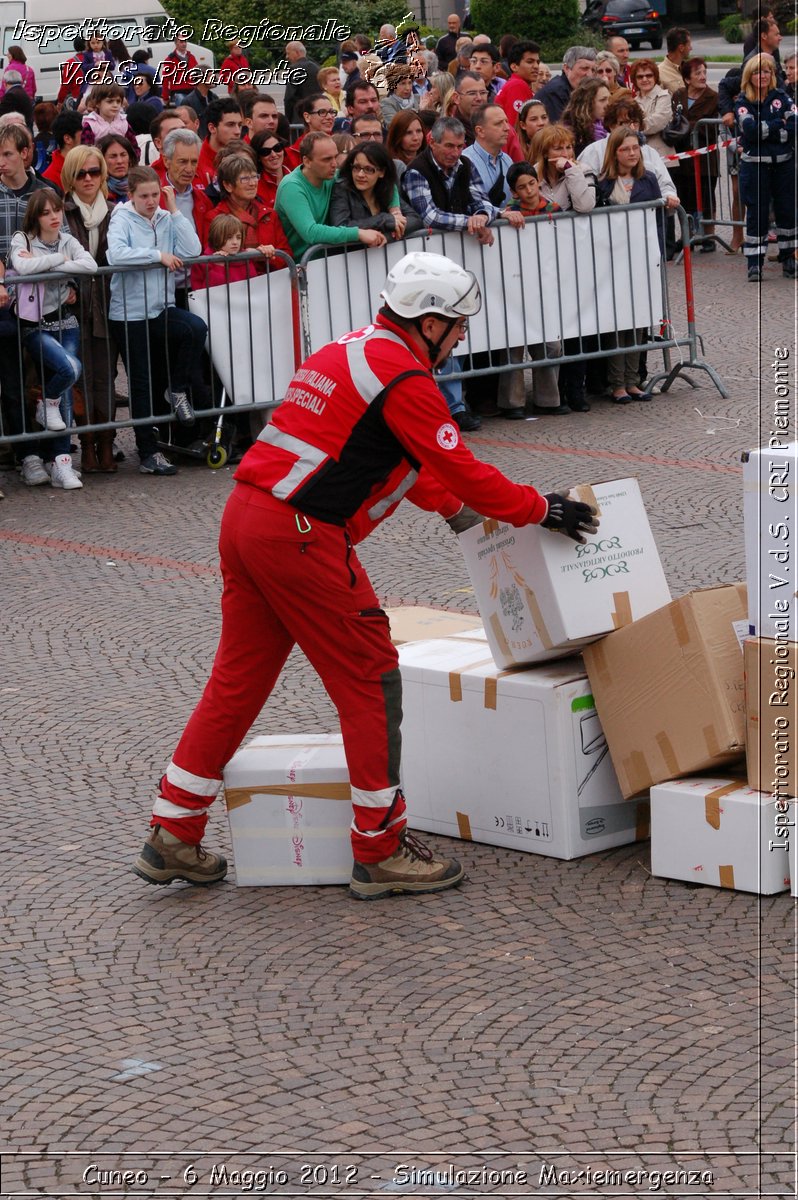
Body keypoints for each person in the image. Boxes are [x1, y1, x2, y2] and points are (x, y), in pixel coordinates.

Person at [130, 249, 600, 894]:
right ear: (428, 321)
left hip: (248, 519)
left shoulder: (352, 350)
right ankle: (379, 847)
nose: (463, 334)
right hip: (300, 536)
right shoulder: (406, 379)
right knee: (372, 678)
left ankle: (174, 829)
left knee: (237, 681)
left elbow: (392, 459)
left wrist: (458, 514)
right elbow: (457, 465)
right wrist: (537, 508)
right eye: (458, 323)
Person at [106, 164, 206, 474]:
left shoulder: (165, 216)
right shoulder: (121, 217)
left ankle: (177, 391)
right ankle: (148, 452)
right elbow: (116, 254)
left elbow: (193, 249)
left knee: (195, 328)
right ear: (131, 195)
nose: (151, 201)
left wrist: (174, 211)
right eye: (145, 196)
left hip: (161, 307)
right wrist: (156, 256)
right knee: (141, 381)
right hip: (129, 313)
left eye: (155, 195)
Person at [9, 188, 97, 488]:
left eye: (57, 210)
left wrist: (52, 262)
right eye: (46, 212)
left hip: (66, 320)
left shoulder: (67, 240)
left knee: (64, 394)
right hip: (35, 324)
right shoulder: (22, 239)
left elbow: (90, 265)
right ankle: (44, 404)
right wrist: (60, 261)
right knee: (70, 369)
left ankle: (61, 464)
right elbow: (22, 266)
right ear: (36, 216)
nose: (54, 217)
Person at [0, 123, 57, 487]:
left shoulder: (44, 191)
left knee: (53, 375)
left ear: (24, 153)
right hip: (6, 303)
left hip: (45, 300)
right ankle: (28, 454)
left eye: (6, 154)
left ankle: (56, 452)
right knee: (13, 379)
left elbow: (62, 240)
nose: (1, 162)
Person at [531, 123, 596, 414]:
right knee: (549, 330)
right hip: (541, 260)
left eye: (568, 146)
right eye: (558, 148)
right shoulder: (531, 175)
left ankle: (577, 388)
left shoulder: (582, 170)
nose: (565, 152)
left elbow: (584, 204)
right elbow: (543, 208)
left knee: (577, 327)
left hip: (573, 258)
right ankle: (550, 393)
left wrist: (571, 169)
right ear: (544, 152)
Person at [595, 126, 662, 403]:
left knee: (638, 323)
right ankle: (617, 382)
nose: (632, 153)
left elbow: (658, 220)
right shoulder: (605, 184)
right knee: (618, 323)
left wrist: (660, 251)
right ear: (615, 152)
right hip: (614, 260)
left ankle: (634, 379)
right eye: (626, 149)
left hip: (643, 258)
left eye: (635, 148)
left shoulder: (648, 179)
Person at [61, 144, 116, 473]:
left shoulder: (115, 211)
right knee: (81, 378)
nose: (88, 179)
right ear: (70, 176)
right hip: (74, 305)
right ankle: (87, 446)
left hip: (107, 304)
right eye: (81, 173)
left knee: (106, 378)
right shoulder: (62, 211)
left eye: (94, 171)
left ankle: (107, 445)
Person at [734, 53, 797, 282]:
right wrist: (776, 127)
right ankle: (754, 264)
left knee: (786, 213)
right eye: (758, 71)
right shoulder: (743, 102)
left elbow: (793, 125)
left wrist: (768, 131)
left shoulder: (782, 98)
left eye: (767, 71)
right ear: (749, 76)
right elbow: (749, 130)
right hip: (755, 167)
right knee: (757, 215)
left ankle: (789, 259)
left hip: (783, 165)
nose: (762, 75)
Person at [275, 132, 387, 259]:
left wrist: (395, 210)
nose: (334, 163)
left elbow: (381, 177)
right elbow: (311, 232)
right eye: (327, 159)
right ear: (307, 161)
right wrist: (358, 233)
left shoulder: (332, 175)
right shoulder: (292, 186)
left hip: (325, 262)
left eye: (335, 156)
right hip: (294, 268)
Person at [672, 57, 719, 252]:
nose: (702, 76)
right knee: (685, 195)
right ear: (687, 79)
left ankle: (708, 236)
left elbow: (708, 126)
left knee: (707, 196)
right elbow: (673, 119)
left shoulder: (712, 97)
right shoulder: (678, 95)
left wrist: (686, 126)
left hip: (705, 156)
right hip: (682, 154)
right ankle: (687, 236)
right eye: (697, 73)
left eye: (704, 72)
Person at [211, 152, 291, 267]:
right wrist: (248, 254)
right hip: (234, 282)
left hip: (270, 282)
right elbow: (210, 261)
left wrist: (270, 255)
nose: (253, 183)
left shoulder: (269, 214)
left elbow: (286, 256)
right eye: (245, 179)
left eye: (255, 177)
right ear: (228, 185)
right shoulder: (214, 217)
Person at [330, 141, 421, 238]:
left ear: (382, 172)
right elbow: (340, 226)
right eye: (356, 167)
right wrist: (384, 220)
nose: (360, 174)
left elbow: (415, 220)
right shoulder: (341, 189)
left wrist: (390, 233)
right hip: (352, 252)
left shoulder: (387, 189)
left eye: (368, 169)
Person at [191, 212, 258, 290]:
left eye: (238, 237)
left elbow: (254, 290)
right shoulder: (202, 263)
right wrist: (218, 266)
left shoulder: (245, 258)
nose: (235, 242)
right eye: (229, 237)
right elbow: (206, 295)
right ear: (217, 237)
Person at [535, 47, 597, 123]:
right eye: (584, 68)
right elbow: (560, 130)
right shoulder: (555, 93)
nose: (590, 75)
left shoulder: (581, 92)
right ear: (567, 68)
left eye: (593, 70)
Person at [196, 97, 243, 188]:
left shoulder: (245, 155)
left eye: (240, 125)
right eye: (230, 125)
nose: (238, 131)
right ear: (212, 128)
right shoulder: (195, 160)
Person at [284, 93, 336, 169]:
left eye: (331, 112)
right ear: (307, 117)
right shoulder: (292, 154)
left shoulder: (341, 144)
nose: (329, 117)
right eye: (322, 112)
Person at [630, 60, 671, 157]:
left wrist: (633, 128)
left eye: (649, 75)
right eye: (640, 77)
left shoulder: (664, 96)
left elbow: (658, 121)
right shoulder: (633, 101)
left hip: (661, 154)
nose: (644, 79)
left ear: (655, 77)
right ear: (634, 80)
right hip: (639, 154)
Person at [562, 78, 611, 157]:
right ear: (587, 103)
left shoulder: (607, 126)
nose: (608, 104)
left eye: (609, 99)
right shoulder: (571, 134)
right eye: (602, 100)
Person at [80, 84, 137, 150]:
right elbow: (86, 150)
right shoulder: (91, 124)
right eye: (110, 101)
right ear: (98, 103)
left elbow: (134, 146)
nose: (115, 105)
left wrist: (131, 159)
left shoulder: (123, 122)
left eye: (118, 101)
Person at [496, 41, 541, 123]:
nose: (536, 66)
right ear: (514, 67)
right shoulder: (517, 85)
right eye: (530, 62)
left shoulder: (515, 84)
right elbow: (515, 127)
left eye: (538, 62)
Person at [43, 111, 83, 190]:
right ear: (67, 139)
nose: (89, 137)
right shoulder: (50, 179)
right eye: (84, 134)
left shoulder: (91, 165)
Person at [251, 130, 290, 210]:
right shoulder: (254, 184)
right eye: (265, 152)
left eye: (277, 148)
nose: (273, 154)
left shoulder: (297, 176)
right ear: (258, 157)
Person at [283, 41, 321, 124]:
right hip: (316, 115)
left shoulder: (294, 69)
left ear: (297, 52)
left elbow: (289, 97)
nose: (287, 57)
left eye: (288, 53)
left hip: (298, 116)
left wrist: (288, 119)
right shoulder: (316, 68)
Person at [97, 133, 137, 207]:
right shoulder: (96, 191)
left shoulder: (140, 184)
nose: (119, 161)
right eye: (113, 156)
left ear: (130, 158)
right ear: (102, 160)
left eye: (123, 155)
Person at [159, 36, 199, 106]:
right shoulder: (170, 59)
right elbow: (165, 79)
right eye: (181, 42)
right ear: (176, 44)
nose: (184, 44)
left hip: (192, 91)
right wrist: (165, 97)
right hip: (178, 92)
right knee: (184, 112)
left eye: (185, 42)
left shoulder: (191, 57)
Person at [386, 109, 425, 178]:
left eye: (419, 131)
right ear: (397, 135)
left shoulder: (429, 160)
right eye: (408, 133)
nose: (415, 138)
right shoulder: (390, 165)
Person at [658, 27, 692, 96]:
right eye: (689, 45)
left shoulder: (689, 69)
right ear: (681, 48)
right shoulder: (659, 73)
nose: (691, 48)